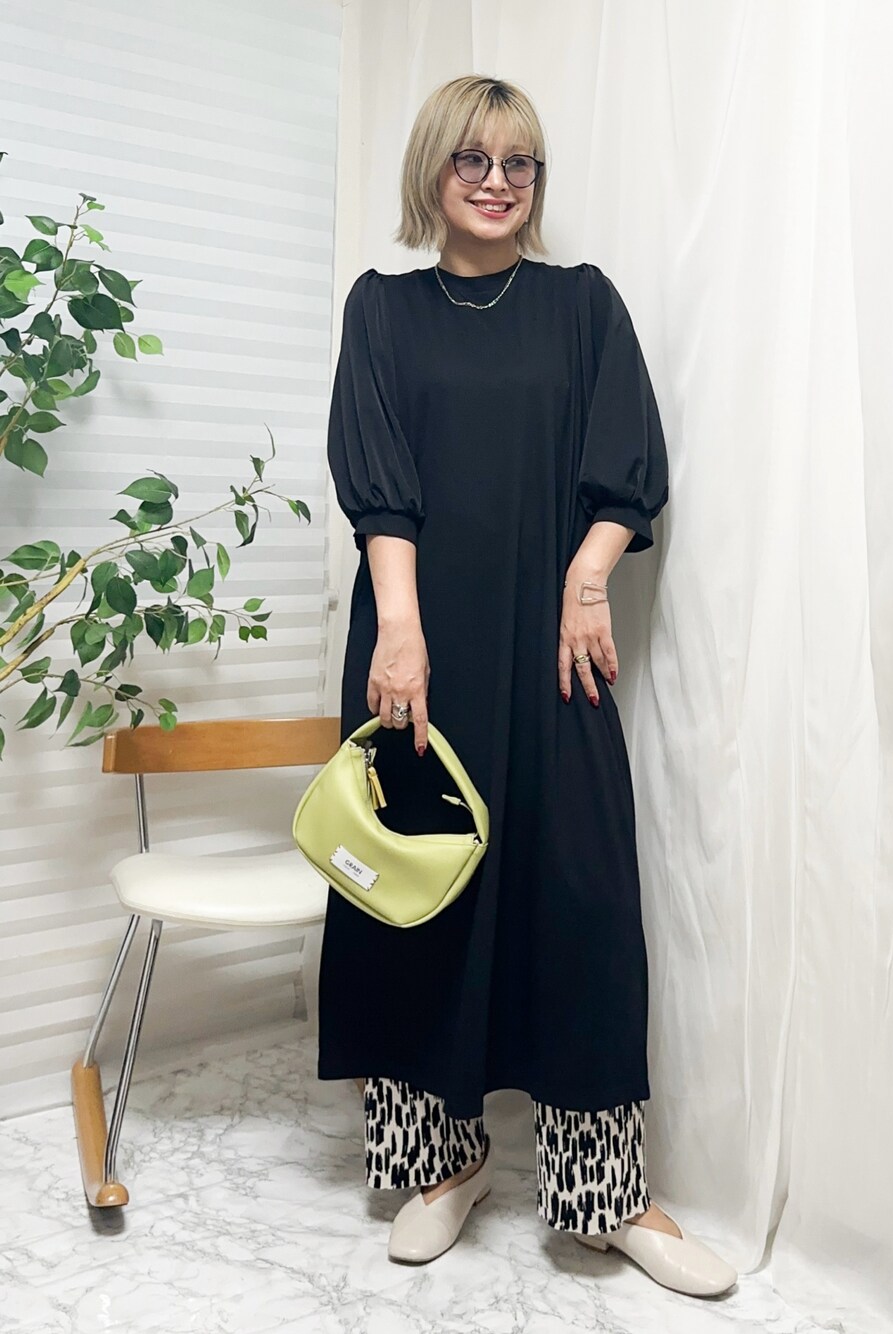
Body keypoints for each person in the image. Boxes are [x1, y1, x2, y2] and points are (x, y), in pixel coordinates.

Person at [318, 73, 737, 1298]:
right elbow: (378, 486)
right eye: (473, 159)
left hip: (557, 653)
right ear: (433, 170)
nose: (497, 182)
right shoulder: (383, 309)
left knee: (581, 900)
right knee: (418, 899)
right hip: (420, 648)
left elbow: (627, 467)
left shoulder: (582, 304)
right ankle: (441, 1160)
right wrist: (402, 630)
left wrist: (588, 579)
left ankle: (607, 1193)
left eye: (519, 163)